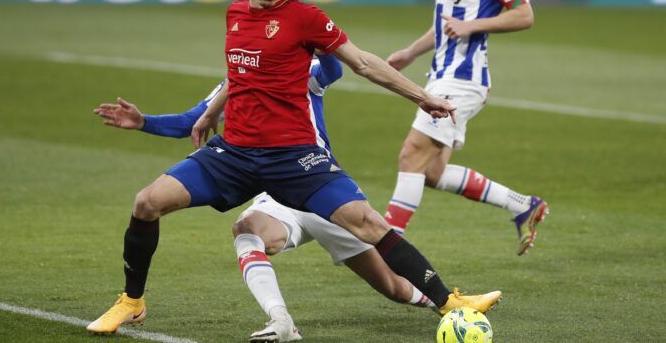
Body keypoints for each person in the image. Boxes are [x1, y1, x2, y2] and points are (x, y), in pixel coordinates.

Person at [87, 0, 500, 337]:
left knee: (367, 222)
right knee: (146, 203)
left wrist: (421, 96)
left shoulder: (305, 17)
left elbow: (362, 63)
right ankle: (132, 302)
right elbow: (238, 71)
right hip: (234, 154)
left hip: (294, 157)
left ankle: (450, 302)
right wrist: (210, 113)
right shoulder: (234, 15)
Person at [93, 56, 434, 342]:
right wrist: (143, 122)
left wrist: (322, 43)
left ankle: (446, 302)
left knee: (394, 288)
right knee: (247, 231)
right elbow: (191, 122)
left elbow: (333, 71)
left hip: (320, 187)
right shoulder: (234, 81)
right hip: (277, 196)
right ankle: (281, 320)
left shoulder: (304, 67)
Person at [383, 0, 548, 256]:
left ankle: (387, 245)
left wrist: (472, 25)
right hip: (441, 74)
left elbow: (525, 14)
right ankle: (522, 205)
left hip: (465, 80)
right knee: (431, 171)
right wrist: (411, 52)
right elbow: (445, 24)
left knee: (411, 153)